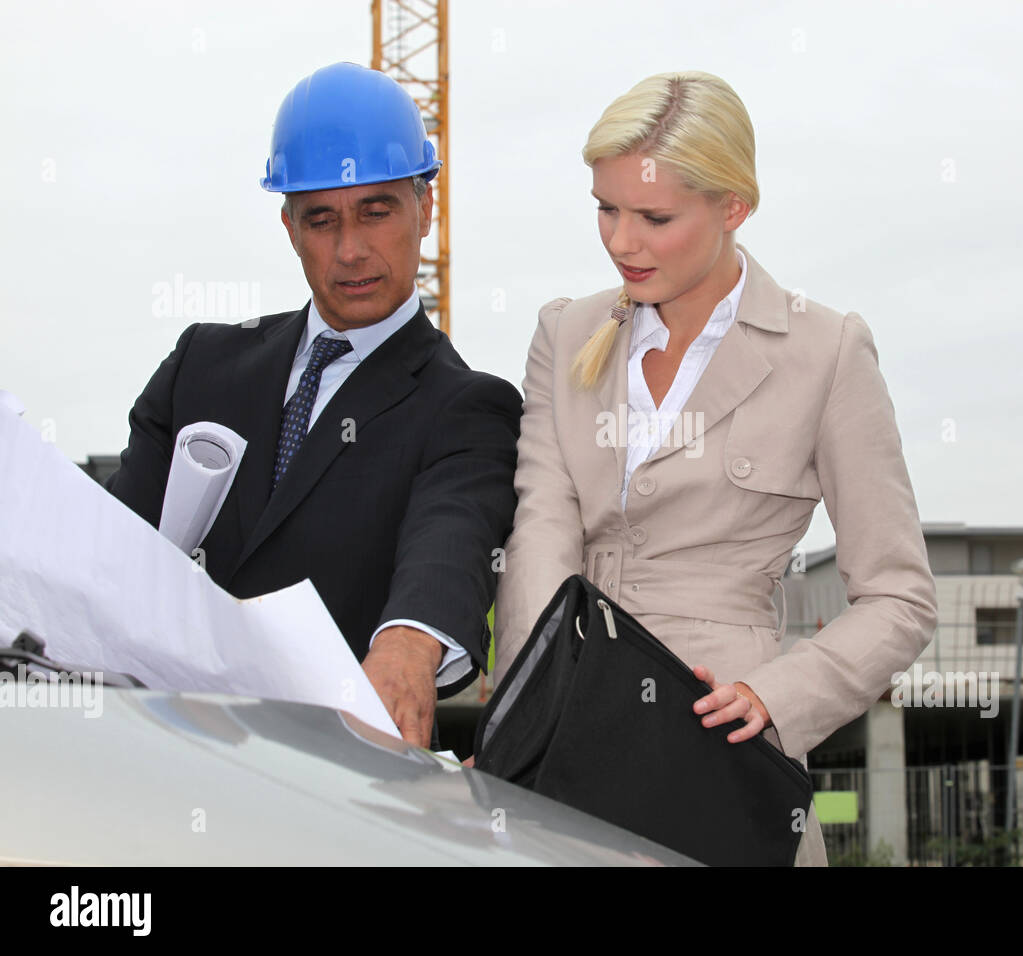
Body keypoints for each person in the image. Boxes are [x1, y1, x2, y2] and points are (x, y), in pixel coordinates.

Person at [493, 71, 938, 866]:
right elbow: (540, 540)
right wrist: (516, 733)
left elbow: (900, 597)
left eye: (653, 217)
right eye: (605, 207)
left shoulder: (826, 351)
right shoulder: (562, 334)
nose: (620, 241)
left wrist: (777, 698)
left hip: (723, 756)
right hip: (563, 748)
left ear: (734, 207)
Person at [106, 62, 522, 750]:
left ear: (427, 207)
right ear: (288, 226)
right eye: (321, 220)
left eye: (377, 211)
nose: (350, 250)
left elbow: (451, 537)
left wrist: (409, 644)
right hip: (162, 752)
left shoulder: (466, 408)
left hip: (324, 777)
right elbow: (115, 548)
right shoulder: (200, 366)